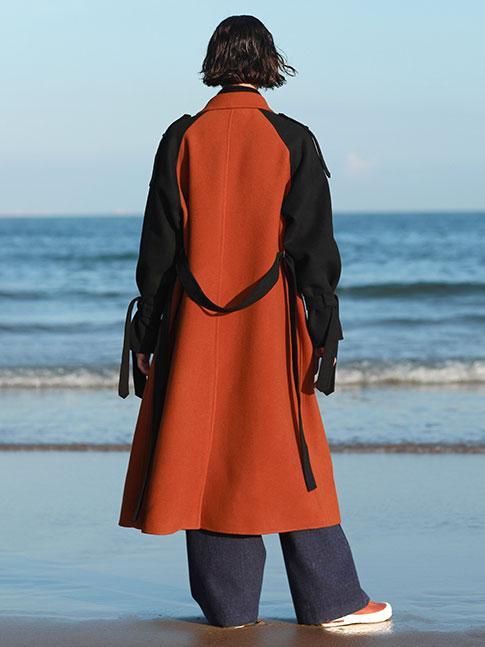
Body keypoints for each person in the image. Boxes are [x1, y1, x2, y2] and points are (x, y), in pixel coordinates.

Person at [117, 14, 392, 629]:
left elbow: (158, 246)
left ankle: (230, 609)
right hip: (269, 322)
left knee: (208, 451)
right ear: (269, 63)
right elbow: (315, 249)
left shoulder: (181, 138)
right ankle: (332, 602)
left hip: (192, 322)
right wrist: (323, 333)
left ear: (214, 62)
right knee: (291, 450)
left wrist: (146, 333)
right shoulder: (292, 138)